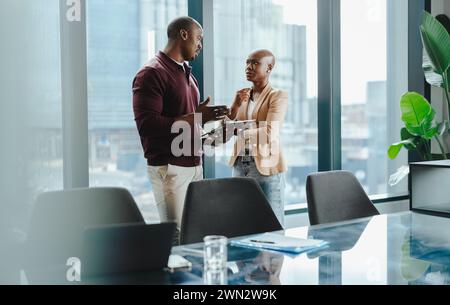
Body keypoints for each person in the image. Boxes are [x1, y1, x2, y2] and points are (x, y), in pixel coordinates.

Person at [132, 16, 229, 244]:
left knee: (194, 234)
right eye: (199, 38)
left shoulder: (188, 75)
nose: (200, 45)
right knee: (176, 237)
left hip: (195, 166)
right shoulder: (151, 73)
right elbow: (147, 125)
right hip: (170, 167)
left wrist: (203, 121)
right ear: (184, 34)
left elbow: (184, 123)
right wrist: (195, 117)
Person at [227, 50, 288, 225]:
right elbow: (226, 130)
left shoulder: (277, 95)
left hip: (267, 167)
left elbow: (270, 132)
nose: (248, 67)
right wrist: (235, 105)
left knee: (272, 225)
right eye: (247, 62)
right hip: (240, 164)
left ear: (269, 67)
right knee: (240, 223)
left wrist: (240, 129)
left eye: (255, 63)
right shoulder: (243, 96)